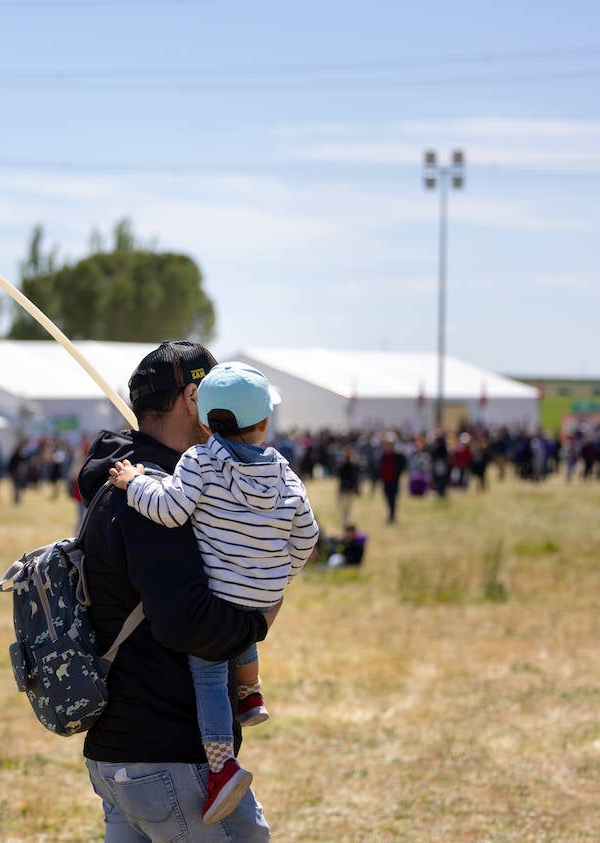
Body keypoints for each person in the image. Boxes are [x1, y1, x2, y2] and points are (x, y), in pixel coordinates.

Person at [76, 341, 275, 841]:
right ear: (192, 397)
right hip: (166, 752)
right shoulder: (155, 494)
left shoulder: (132, 479)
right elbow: (186, 623)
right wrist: (260, 616)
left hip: (125, 753)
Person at [109, 361, 319, 823]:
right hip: (259, 596)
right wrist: (281, 575)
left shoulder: (199, 460)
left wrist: (132, 482)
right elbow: (307, 535)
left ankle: (222, 768)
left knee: (207, 676)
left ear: (204, 419)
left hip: (219, 597)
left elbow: (169, 509)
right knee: (242, 631)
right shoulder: (283, 470)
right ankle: (251, 693)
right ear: (264, 423)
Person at [376, 436, 407, 524]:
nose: (388, 447)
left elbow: (402, 466)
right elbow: (379, 468)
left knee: (393, 498)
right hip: (386, 481)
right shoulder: (383, 456)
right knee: (387, 498)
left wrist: (398, 474)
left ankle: (392, 515)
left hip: (394, 481)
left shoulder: (398, 456)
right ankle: (390, 513)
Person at [335, 444, 362, 527]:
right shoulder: (341, 463)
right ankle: (344, 518)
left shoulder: (354, 464)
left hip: (350, 488)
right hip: (342, 487)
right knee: (341, 504)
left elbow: (356, 477)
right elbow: (338, 474)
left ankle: (346, 518)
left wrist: (356, 488)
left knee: (348, 505)